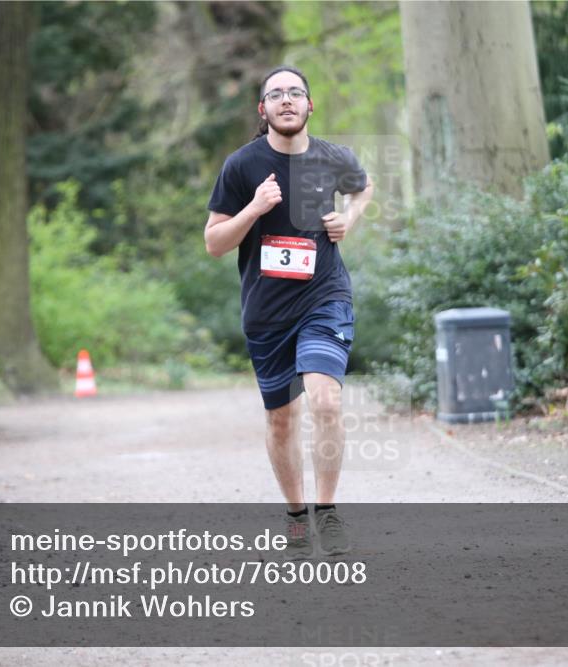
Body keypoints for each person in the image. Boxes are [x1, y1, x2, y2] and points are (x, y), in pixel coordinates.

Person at [205, 65, 374, 559]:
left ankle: (328, 512)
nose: (286, 100)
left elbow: (362, 188)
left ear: (309, 105)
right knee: (282, 419)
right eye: (275, 94)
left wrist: (350, 218)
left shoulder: (334, 157)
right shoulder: (241, 166)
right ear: (263, 110)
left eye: (295, 92)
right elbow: (214, 243)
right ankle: (297, 515)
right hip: (267, 311)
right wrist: (254, 209)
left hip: (325, 296)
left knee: (325, 402)